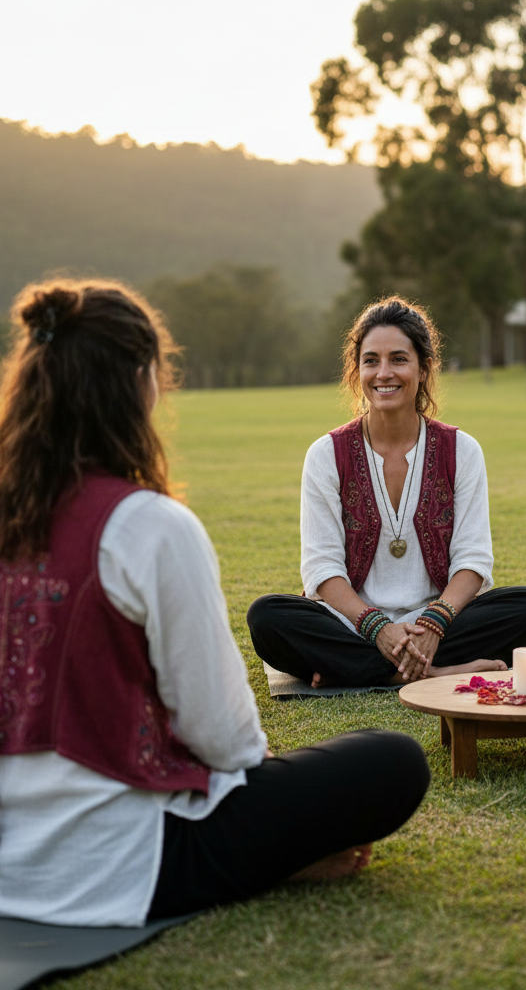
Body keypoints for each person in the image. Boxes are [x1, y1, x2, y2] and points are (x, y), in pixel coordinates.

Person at [0, 279, 430, 928]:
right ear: (141, 383)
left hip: (10, 851)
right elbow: (225, 740)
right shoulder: (148, 526)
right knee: (393, 762)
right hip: (123, 862)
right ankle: (279, 858)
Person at [248, 298, 526, 688]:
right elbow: (321, 570)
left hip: (440, 622)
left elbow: (474, 560)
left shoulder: (462, 450)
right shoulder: (326, 454)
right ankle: (429, 672)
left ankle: (361, 669)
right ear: (356, 370)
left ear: (424, 368)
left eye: (398, 359)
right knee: (268, 617)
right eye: (371, 360)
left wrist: (434, 621)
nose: (383, 373)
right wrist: (378, 628)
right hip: (353, 622)